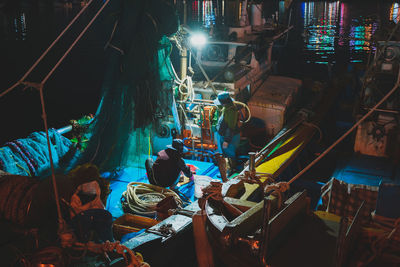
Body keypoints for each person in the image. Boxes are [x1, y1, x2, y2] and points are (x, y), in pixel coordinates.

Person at [214, 92, 241, 173]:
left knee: (229, 155)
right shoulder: (228, 107)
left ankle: (229, 172)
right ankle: (228, 170)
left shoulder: (231, 111)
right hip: (224, 136)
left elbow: (231, 127)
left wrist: (226, 141)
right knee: (225, 154)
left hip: (229, 138)